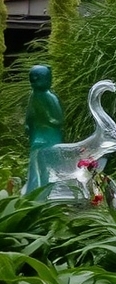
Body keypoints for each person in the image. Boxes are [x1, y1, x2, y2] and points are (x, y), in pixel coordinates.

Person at [24, 65, 64, 194]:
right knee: (35, 161)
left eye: (38, 79)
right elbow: (29, 113)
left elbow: (59, 119)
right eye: (32, 80)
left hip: (49, 134)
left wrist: (49, 119)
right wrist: (27, 124)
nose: (34, 82)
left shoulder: (49, 97)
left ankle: (49, 190)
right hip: (37, 133)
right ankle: (34, 189)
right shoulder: (33, 96)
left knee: (47, 162)